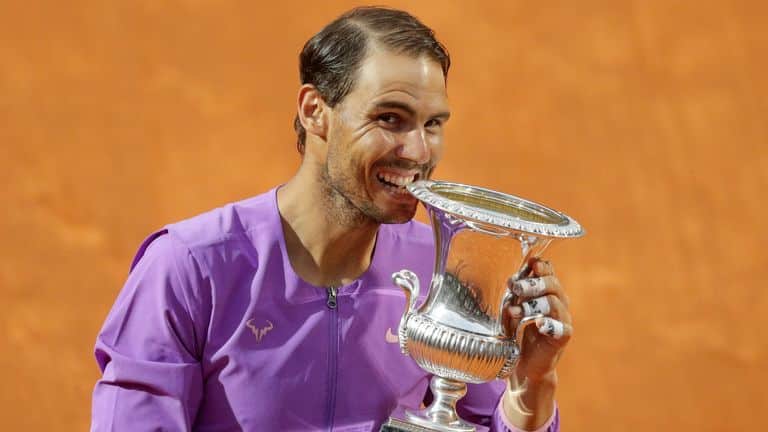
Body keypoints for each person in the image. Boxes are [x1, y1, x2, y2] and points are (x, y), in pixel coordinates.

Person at [91, 6, 572, 432]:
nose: (418, 152)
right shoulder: (188, 267)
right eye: (389, 118)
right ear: (314, 111)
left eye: (433, 124)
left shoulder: (443, 267)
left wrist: (531, 387)